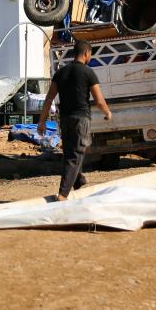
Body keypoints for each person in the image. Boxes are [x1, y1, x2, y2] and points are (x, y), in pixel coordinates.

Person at [38, 40, 112, 201]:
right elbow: (99, 100)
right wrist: (107, 113)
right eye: (90, 54)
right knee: (76, 154)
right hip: (81, 118)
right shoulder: (88, 72)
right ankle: (63, 194)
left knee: (71, 152)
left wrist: (42, 121)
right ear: (86, 53)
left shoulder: (61, 72)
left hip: (65, 119)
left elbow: (49, 98)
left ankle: (78, 179)